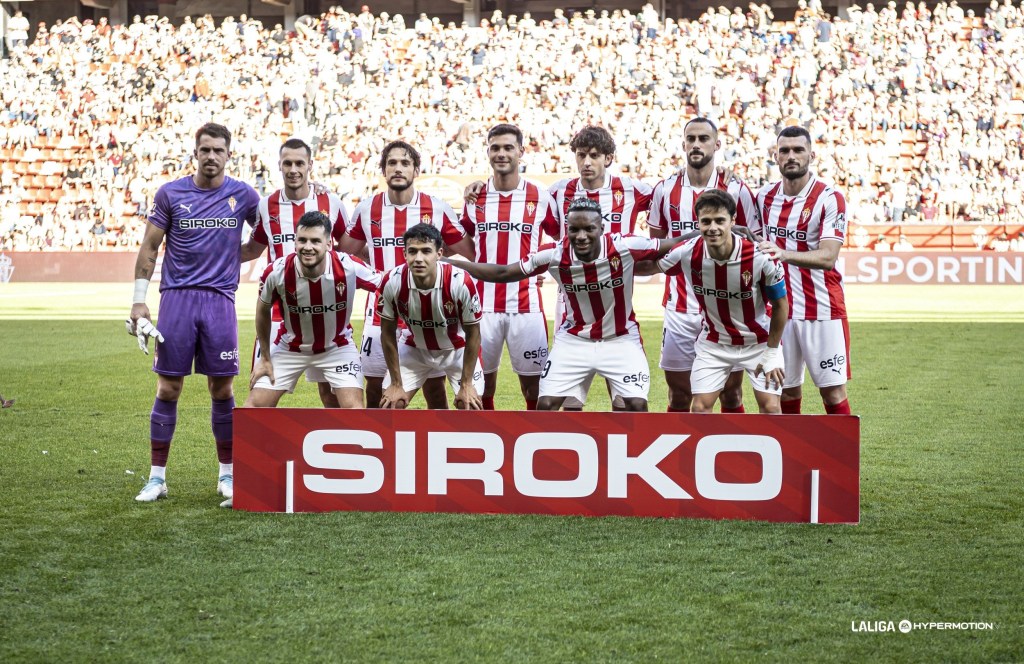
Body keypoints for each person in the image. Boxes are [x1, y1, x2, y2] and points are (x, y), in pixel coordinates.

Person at [448, 198, 686, 412]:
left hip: (620, 338)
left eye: (589, 229)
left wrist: (707, 233)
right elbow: (503, 272)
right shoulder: (554, 253)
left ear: (601, 229)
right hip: (573, 339)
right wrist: (448, 263)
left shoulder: (623, 246)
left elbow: (671, 243)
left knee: (636, 405)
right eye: (574, 229)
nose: (581, 236)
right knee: (546, 405)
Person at [128, 123, 260, 505]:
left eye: (218, 150)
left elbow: (264, 238)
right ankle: (157, 478)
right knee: (168, 387)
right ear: (196, 152)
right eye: (205, 150)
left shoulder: (243, 195)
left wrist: (232, 258)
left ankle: (228, 475)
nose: (211, 157)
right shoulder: (171, 193)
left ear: (228, 155)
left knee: (222, 388)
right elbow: (150, 247)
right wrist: (139, 301)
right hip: (177, 300)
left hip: (220, 302)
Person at [338, 140, 475, 409]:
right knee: (376, 385)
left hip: (426, 311)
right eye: (392, 163)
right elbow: (345, 253)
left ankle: (439, 444)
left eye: (405, 163)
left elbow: (469, 251)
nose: (398, 168)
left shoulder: (436, 208)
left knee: (433, 386)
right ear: (383, 170)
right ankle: (381, 444)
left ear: (416, 171)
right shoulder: (367, 209)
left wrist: (437, 266)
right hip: (379, 312)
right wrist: (374, 265)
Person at [648, 117, 762, 413]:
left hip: (727, 309)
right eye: (691, 139)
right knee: (679, 395)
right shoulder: (665, 190)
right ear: (683, 144)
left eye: (704, 139)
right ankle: (681, 459)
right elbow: (657, 249)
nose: (696, 144)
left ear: (717, 144)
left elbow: (755, 246)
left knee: (732, 394)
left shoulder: (737, 190)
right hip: (680, 309)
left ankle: (731, 458)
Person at [654, 190, 789, 413]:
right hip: (714, 343)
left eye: (720, 221)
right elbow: (651, 266)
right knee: (699, 408)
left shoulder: (761, 257)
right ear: (698, 223)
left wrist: (772, 352)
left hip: (759, 342)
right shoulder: (687, 251)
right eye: (706, 222)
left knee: (771, 408)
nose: (712, 227)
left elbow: (781, 305)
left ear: (733, 221)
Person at [241, 138, 349, 407]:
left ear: (310, 165)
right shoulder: (266, 205)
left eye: (299, 163)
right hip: (279, 313)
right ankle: (262, 449)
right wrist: (210, 251)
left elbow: (348, 249)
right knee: (262, 390)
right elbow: (254, 248)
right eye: (287, 163)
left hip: (324, 312)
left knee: (329, 394)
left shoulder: (330, 202)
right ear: (279, 165)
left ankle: (340, 446)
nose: (293, 169)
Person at [459, 124, 560, 410]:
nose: (501, 154)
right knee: (480, 386)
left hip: (527, 306)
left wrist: (539, 266)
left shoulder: (540, 196)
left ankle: (533, 444)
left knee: (534, 387)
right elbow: (465, 241)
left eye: (508, 148)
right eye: (495, 148)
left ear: (521, 152)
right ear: (488, 152)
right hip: (482, 307)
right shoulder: (474, 198)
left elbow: (559, 238)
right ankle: (487, 441)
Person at [757, 126, 853, 415]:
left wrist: (782, 253)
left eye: (798, 150)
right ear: (776, 156)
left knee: (833, 393)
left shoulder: (829, 198)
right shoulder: (763, 197)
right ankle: (790, 459)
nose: (791, 156)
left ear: (811, 154)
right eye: (784, 150)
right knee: (785, 390)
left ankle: (840, 460)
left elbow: (828, 256)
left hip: (821, 308)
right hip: (779, 311)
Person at [247, 211, 380, 408]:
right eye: (302, 240)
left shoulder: (348, 267)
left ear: (328, 244)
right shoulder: (277, 272)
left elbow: (389, 285)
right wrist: (265, 357)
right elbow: (262, 309)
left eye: (315, 241)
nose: (307, 247)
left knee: (354, 410)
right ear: (295, 242)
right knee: (254, 407)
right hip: (290, 347)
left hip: (337, 347)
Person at [378, 223, 484, 410]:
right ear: (405, 254)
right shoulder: (391, 281)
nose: (418, 258)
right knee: (391, 404)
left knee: (469, 404)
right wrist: (396, 383)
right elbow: (387, 332)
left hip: (456, 350)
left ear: (439, 253)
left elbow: (473, 334)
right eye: (412, 251)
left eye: (426, 251)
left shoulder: (460, 282)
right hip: (414, 349)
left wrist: (466, 384)